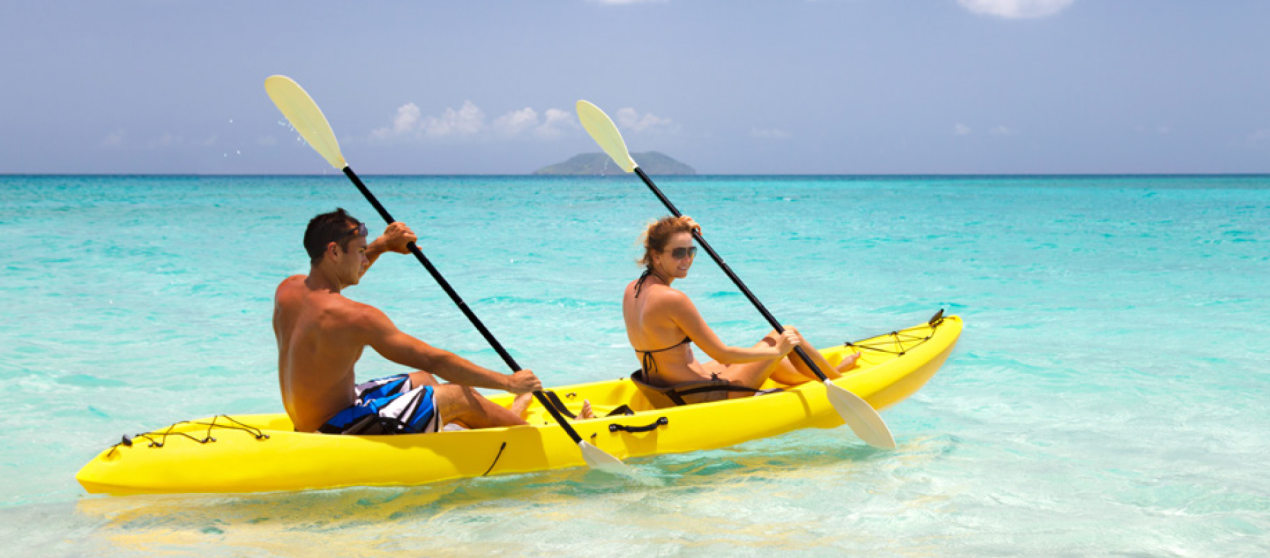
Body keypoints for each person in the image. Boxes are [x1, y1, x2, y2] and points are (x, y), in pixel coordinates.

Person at [274, 208, 541, 434]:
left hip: (313, 417)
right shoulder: (359, 317)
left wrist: (383, 245)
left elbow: (334, 284)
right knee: (457, 394)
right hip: (335, 429)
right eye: (360, 252)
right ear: (333, 252)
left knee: (423, 380)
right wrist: (507, 382)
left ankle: (491, 426)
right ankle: (527, 432)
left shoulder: (288, 289)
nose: (364, 260)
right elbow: (435, 360)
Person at [621, 215, 861, 402]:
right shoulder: (673, 298)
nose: (688, 259)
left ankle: (821, 373)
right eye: (679, 252)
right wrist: (778, 351)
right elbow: (722, 354)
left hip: (669, 391)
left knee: (760, 354)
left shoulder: (633, 289)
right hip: (703, 396)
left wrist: (679, 227)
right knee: (786, 334)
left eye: (691, 251)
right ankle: (841, 382)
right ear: (656, 255)